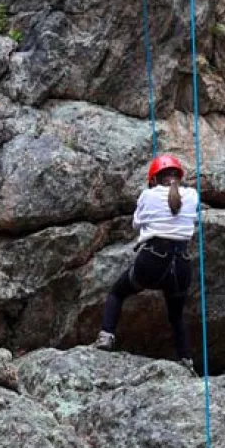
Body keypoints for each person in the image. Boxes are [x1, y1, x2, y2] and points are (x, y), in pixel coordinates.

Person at [92, 154, 199, 373]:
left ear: (154, 179)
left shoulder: (147, 195)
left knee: (117, 293)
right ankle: (186, 360)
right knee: (176, 314)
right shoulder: (192, 195)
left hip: (153, 259)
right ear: (178, 177)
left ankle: (106, 336)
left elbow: (136, 223)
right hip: (181, 264)